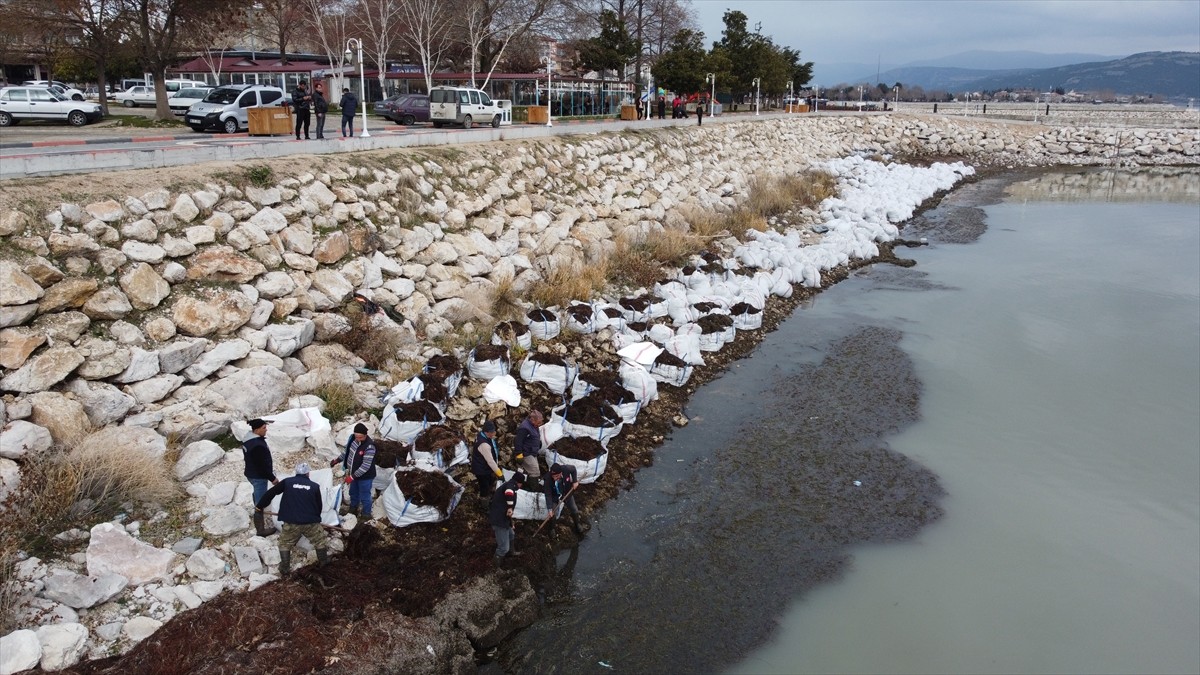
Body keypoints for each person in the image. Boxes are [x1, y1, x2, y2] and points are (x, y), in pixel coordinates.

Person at [255, 462, 328, 575]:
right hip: (310, 522)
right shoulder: (314, 486)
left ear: (296, 472)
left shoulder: (288, 482)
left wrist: (260, 506)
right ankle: (324, 563)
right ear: (308, 474)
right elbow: (319, 505)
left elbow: (272, 493)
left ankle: (284, 569)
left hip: (291, 522)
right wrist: (316, 518)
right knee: (319, 541)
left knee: (285, 543)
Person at [331, 422, 377, 518]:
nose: (358, 439)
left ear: (365, 435)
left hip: (365, 477)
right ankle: (353, 509)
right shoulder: (353, 440)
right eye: (356, 437)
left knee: (365, 496)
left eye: (360, 437)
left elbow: (365, 466)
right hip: (354, 474)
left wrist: (352, 477)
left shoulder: (369, 447)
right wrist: (337, 460)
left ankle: (366, 514)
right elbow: (346, 452)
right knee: (353, 492)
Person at [242, 419, 278, 530]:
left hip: (250, 473)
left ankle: (257, 508)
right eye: (264, 428)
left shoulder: (248, 439)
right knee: (260, 503)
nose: (266, 429)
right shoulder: (257, 445)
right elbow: (261, 466)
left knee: (257, 493)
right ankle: (260, 529)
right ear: (257, 430)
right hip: (258, 476)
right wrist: (272, 478)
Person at [489, 470, 525, 565]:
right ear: (519, 483)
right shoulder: (510, 486)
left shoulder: (509, 485)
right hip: (499, 521)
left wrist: (511, 523)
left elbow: (507, 511)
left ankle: (511, 553)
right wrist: (510, 507)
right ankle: (496, 566)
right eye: (521, 484)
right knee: (503, 547)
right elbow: (509, 493)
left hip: (503, 518)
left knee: (511, 534)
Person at [543, 462, 585, 537]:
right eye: (553, 476)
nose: (554, 478)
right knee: (553, 514)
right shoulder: (548, 479)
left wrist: (575, 481)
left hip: (566, 493)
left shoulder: (566, 469)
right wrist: (549, 509)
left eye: (556, 476)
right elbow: (548, 495)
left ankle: (577, 524)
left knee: (574, 509)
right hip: (554, 497)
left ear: (561, 473)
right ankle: (552, 529)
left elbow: (573, 469)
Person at [470, 419, 503, 501]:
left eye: (494, 432)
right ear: (486, 432)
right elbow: (490, 461)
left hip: (484, 467)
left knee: (489, 481)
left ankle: (490, 494)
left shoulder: (483, 435)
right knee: (484, 487)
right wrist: (499, 473)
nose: (493, 434)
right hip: (481, 470)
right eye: (491, 432)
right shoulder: (483, 444)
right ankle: (484, 503)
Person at [513, 410, 544, 478]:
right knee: (535, 472)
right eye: (538, 422)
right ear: (532, 420)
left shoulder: (534, 426)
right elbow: (518, 441)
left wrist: (538, 443)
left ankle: (529, 484)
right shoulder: (524, 428)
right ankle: (533, 487)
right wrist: (519, 454)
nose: (540, 424)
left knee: (535, 470)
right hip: (526, 453)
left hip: (532, 452)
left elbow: (533, 436)